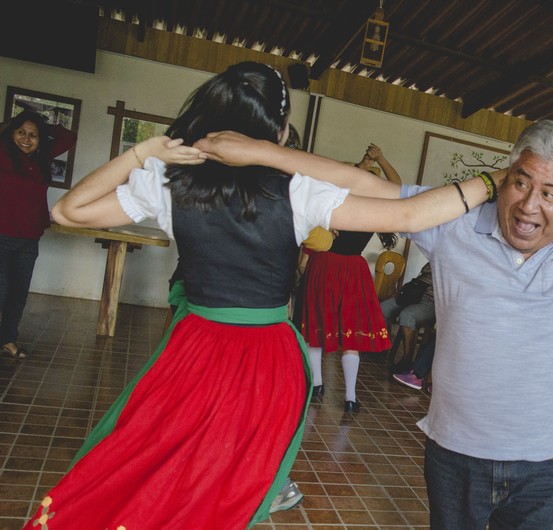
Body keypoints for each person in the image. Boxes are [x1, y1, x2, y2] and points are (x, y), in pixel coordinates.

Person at [26, 61, 497, 529]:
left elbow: (68, 211)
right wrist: (494, 181)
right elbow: (412, 216)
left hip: (195, 347)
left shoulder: (169, 183)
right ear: (279, 128)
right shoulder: (297, 192)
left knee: (162, 466)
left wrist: (141, 153)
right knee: (227, 487)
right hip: (265, 358)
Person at [195, 117, 553, 529]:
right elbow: (363, 184)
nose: (528, 205)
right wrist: (262, 152)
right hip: (458, 449)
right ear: (505, 177)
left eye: (551, 192)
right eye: (521, 182)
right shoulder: (455, 221)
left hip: (548, 459)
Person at [300, 143, 401, 413]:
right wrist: (381, 159)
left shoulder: (335, 202)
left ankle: (316, 385)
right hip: (353, 270)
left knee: (316, 327)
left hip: (324, 265)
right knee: (351, 334)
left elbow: (338, 180)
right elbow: (397, 186)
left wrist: (365, 164)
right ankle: (350, 397)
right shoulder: (375, 209)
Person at [0, 110, 77, 359]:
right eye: (21, 132)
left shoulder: (41, 158)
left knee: (18, 293)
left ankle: (8, 339)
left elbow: (69, 137)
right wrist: (10, 124)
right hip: (1, 235)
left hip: (29, 237)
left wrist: (43, 127)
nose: (26, 139)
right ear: (11, 133)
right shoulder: (2, 153)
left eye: (33, 135)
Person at [381, 261, 435, 373]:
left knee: (407, 316)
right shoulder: (436, 256)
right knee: (381, 309)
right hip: (412, 294)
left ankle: (407, 360)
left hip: (430, 301)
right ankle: (381, 345)